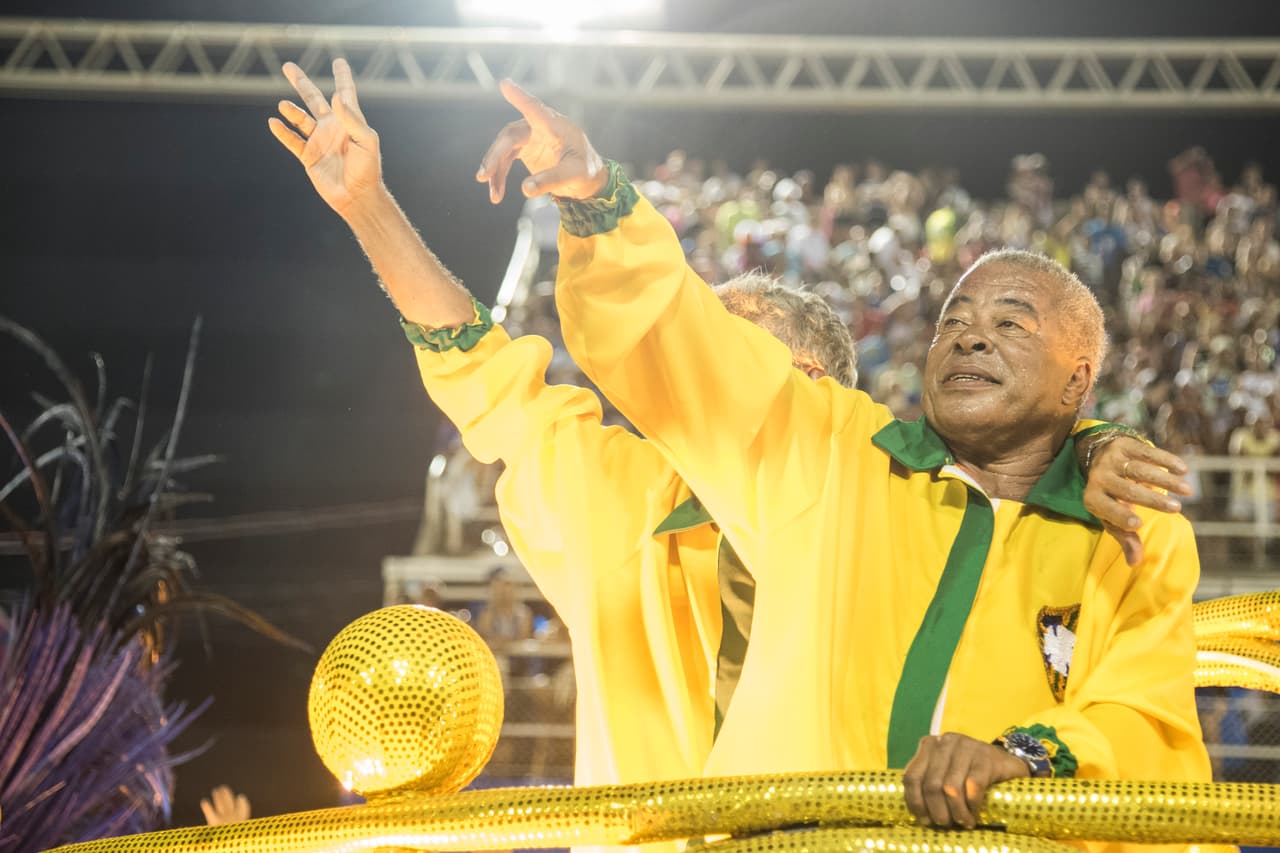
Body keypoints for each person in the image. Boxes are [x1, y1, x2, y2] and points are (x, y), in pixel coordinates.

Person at [269, 61, 1193, 848]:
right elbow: (497, 377)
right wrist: (396, 206)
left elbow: (1143, 718)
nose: (971, 339)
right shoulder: (637, 501)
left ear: (815, 387)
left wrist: (1083, 452)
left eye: (768, 366)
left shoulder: (858, 468)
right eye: (954, 320)